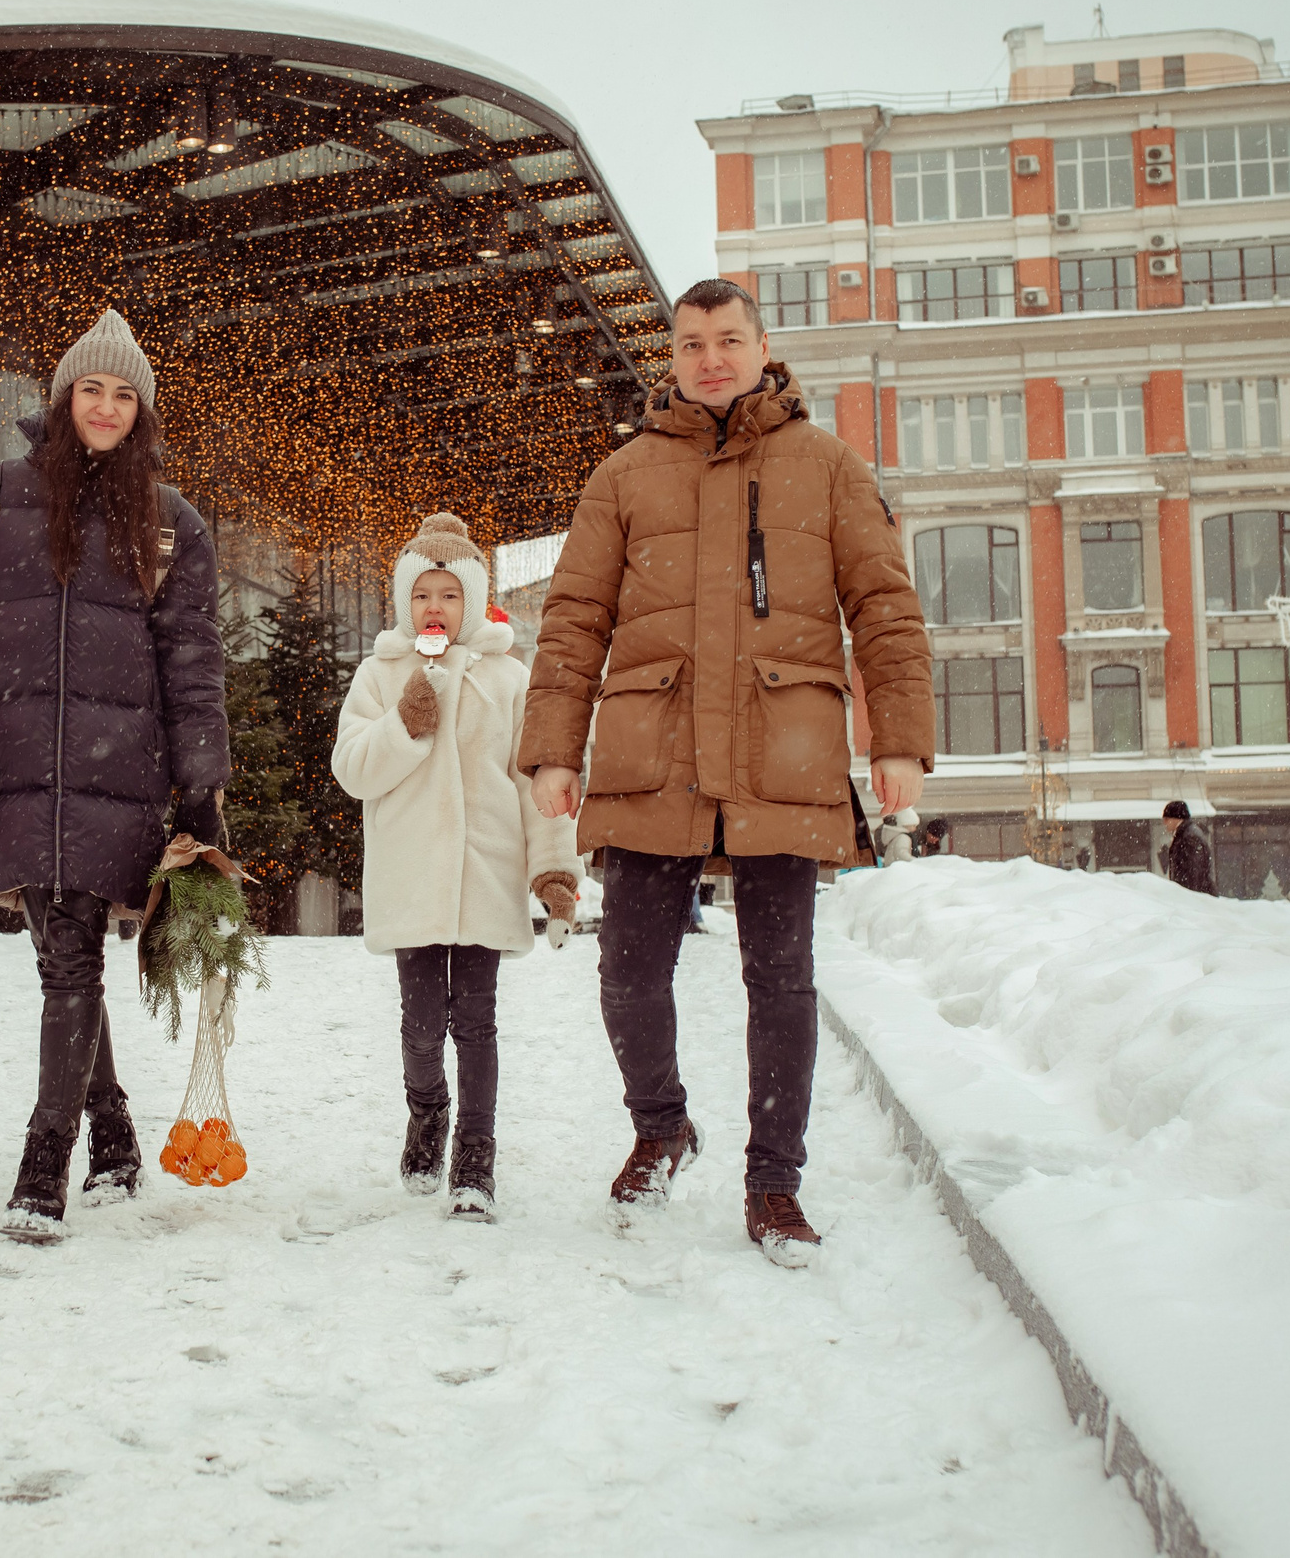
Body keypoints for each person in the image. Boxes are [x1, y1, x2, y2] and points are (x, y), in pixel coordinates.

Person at [517, 277, 933, 1268]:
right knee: (625, 975)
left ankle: (773, 1183)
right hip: (649, 748)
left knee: (780, 980)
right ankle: (660, 1124)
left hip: (780, 748)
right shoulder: (621, 477)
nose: (711, 357)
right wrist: (549, 750)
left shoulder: (826, 468)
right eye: (693, 341)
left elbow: (883, 606)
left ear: (760, 346)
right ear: (671, 354)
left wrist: (900, 741)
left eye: (729, 339)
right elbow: (574, 618)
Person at [0, 309, 229, 1242]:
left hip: (117, 774)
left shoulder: (171, 527)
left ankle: (43, 1163)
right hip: (14, 764)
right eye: (92, 388)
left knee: (72, 959)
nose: (105, 406)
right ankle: (115, 1131)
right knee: (63, 960)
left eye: (124, 394)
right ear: (63, 397)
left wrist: (201, 790)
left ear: (143, 414)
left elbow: (193, 664)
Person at [331, 513, 584, 1223]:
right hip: (412, 877)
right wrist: (402, 726)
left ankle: (476, 1155)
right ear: (403, 601)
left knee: (476, 1022)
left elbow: (537, 781)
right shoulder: (380, 675)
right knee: (420, 1023)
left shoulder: (510, 678)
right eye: (421, 594)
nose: (434, 607)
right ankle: (428, 1111)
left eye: (447, 594)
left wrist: (554, 872)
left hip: (485, 875)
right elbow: (352, 769)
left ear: (471, 600)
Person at [1160, 800, 1215, 895]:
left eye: (1166, 819)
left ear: (1176, 818)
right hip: (1193, 896)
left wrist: (1190, 897)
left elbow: (1194, 871)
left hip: (1195, 898)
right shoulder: (1186, 834)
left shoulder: (1189, 836)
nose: (1164, 823)